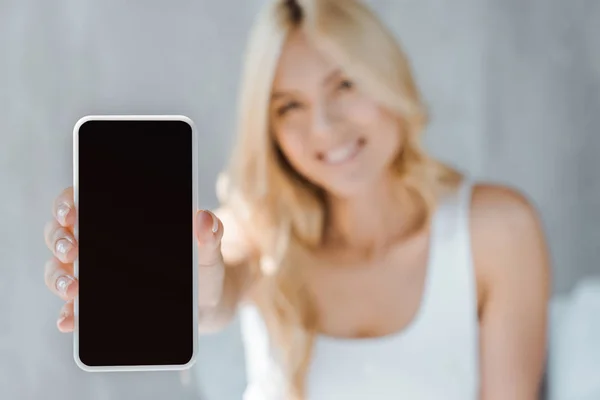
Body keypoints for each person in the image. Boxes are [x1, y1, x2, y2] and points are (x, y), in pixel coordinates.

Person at [43, 0, 551, 398]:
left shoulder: (496, 230)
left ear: (389, 78)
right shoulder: (257, 226)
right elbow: (217, 285)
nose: (324, 129)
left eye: (345, 85)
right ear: (270, 129)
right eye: (290, 107)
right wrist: (185, 286)